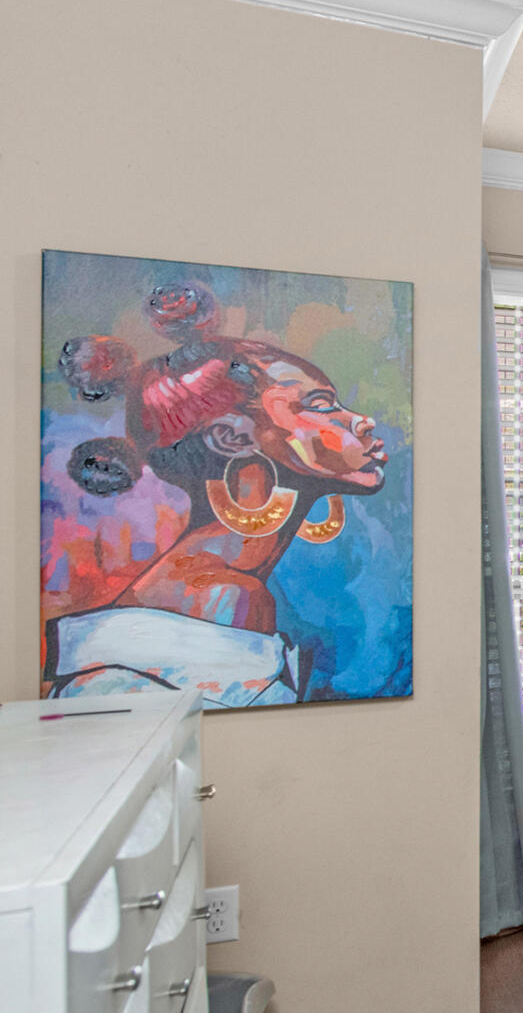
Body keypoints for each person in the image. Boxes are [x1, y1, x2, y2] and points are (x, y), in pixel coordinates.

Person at [44, 281, 387, 706]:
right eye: (319, 405)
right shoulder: (221, 595)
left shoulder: (221, 583)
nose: (363, 421)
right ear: (231, 438)